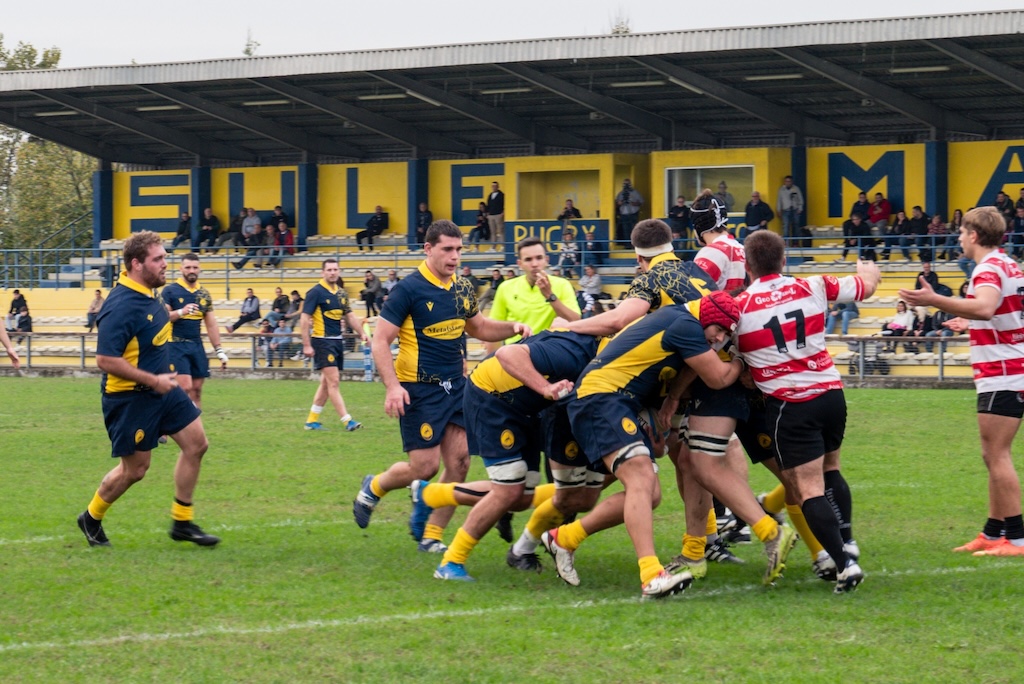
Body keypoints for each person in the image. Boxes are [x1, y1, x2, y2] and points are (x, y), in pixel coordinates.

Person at [354, 220, 532, 551]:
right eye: (447, 249)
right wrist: (393, 388)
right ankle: (375, 486)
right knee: (424, 466)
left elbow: (478, 327)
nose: (454, 256)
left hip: (457, 385)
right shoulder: (408, 290)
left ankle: (432, 536)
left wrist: (513, 327)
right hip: (418, 389)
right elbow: (380, 341)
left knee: (461, 461)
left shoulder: (462, 287)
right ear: (428, 249)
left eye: (458, 249)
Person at [554, 298, 745, 598]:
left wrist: (668, 405)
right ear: (706, 317)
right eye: (719, 330)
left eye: (727, 335)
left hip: (617, 401)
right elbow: (718, 377)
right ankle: (651, 574)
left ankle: (564, 537)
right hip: (600, 396)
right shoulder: (685, 325)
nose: (720, 339)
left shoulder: (681, 321)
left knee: (650, 494)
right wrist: (739, 358)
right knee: (641, 478)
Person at [735, 229, 880, 592]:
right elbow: (866, 287)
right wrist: (869, 268)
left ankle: (844, 564)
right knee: (831, 467)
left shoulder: (739, 308)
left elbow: (740, 369)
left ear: (746, 266)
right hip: (831, 394)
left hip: (790, 404)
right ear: (784, 260)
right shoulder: (812, 285)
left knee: (806, 487)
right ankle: (847, 540)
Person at [76, 230, 219, 549]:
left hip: (163, 389)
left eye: (166, 258)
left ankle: (182, 522)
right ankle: (91, 516)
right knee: (136, 470)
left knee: (197, 444)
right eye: (159, 259)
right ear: (137, 264)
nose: (166, 265)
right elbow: (104, 359)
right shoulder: (120, 305)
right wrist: (153, 380)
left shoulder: (148, 293)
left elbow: (151, 322)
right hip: (130, 397)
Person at [900, 206, 1024, 556]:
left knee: (997, 454)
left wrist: (936, 300)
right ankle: (993, 531)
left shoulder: (986, 268)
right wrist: (969, 323)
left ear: (973, 235)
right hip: (1009, 369)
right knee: (993, 455)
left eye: (961, 232)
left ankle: (1016, 539)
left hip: (1002, 372)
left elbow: (985, 307)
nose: (958, 238)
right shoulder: (1008, 263)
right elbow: (1001, 312)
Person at [431, 329, 600, 581]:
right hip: (493, 397)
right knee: (507, 490)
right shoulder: (577, 354)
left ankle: (429, 494)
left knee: (521, 498)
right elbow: (507, 353)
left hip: (527, 407)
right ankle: (451, 562)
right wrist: (546, 387)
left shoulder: (599, 350)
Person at [300, 258, 367, 431]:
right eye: (329, 270)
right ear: (323, 272)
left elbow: (350, 316)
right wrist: (307, 345)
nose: (332, 272)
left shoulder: (341, 294)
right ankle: (347, 421)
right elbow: (304, 319)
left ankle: (311, 421)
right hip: (322, 341)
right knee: (334, 382)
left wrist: (362, 333)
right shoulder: (315, 292)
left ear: (339, 271)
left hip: (337, 341)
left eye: (335, 269)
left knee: (326, 383)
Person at [486, 236, 581, 354]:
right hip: (516, 353)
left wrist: (550, 295)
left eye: (539, 258)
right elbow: (494, 329)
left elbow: (575, 321)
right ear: (520, 264)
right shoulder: (506, 287)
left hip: (549, 353)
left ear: (546, 260)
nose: (535, 264)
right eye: (528, 259)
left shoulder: (562, 285)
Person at [160, 253, 228, 407]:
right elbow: (163, 317)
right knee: (184, 388)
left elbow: (211, 324)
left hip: (196, 346)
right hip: (175, 345)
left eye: (195, 267)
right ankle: (171, 427)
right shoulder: (170, 291)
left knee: (196, 390)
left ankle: (194, 429)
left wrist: (219, 350)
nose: (192, 270)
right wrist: (181, 312)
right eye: (188, 267)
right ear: (181, 269)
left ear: (199, 269)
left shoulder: (203, 294)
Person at [615, 178, 643, 246]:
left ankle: (634, 244)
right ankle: (627, 245)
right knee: (625, 230)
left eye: (627, 183)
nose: (626, 185)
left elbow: (641, 202)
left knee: (634, 230)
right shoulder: (620, 194)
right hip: (624, 214)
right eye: (625, 184)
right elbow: (616, 204)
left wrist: (634, 203)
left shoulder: (635, 193)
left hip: (633, 213)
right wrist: (620, 203)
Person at [776, 175, 804, 242]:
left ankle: (795, 243)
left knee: (796, 226)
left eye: (789, 181)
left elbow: (801, 199)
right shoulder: (781, 190)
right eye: (786, 181)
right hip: (785, 210)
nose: (788, 183)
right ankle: (786, 243)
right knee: (786, 226)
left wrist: (800, 208)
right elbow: (779, 200)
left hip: (795, 210)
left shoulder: (796, 189)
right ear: (784, 182)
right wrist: (778, 210)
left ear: (792, 182)